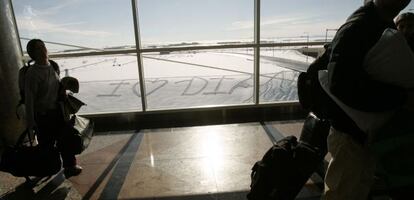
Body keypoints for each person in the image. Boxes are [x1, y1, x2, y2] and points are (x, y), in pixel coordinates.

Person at [322, 0, 412, 199]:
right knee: (343, 193)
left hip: (363, 131)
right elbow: (341, 84)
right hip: (351, 133)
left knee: (355, 189)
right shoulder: (360, 27)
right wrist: (401, 97)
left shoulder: (380, 24)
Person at [24, 39, 82, 178]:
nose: (43, 50)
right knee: (47, 145)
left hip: (58, 111)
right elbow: (29, 99)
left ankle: (69, 166)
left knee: (66, 139)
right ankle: (48, 168)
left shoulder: (53, 66)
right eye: (38, 48)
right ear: (33, 54)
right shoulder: (33, 73)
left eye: (43, 46)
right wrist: (31, 121)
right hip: (43, 116)